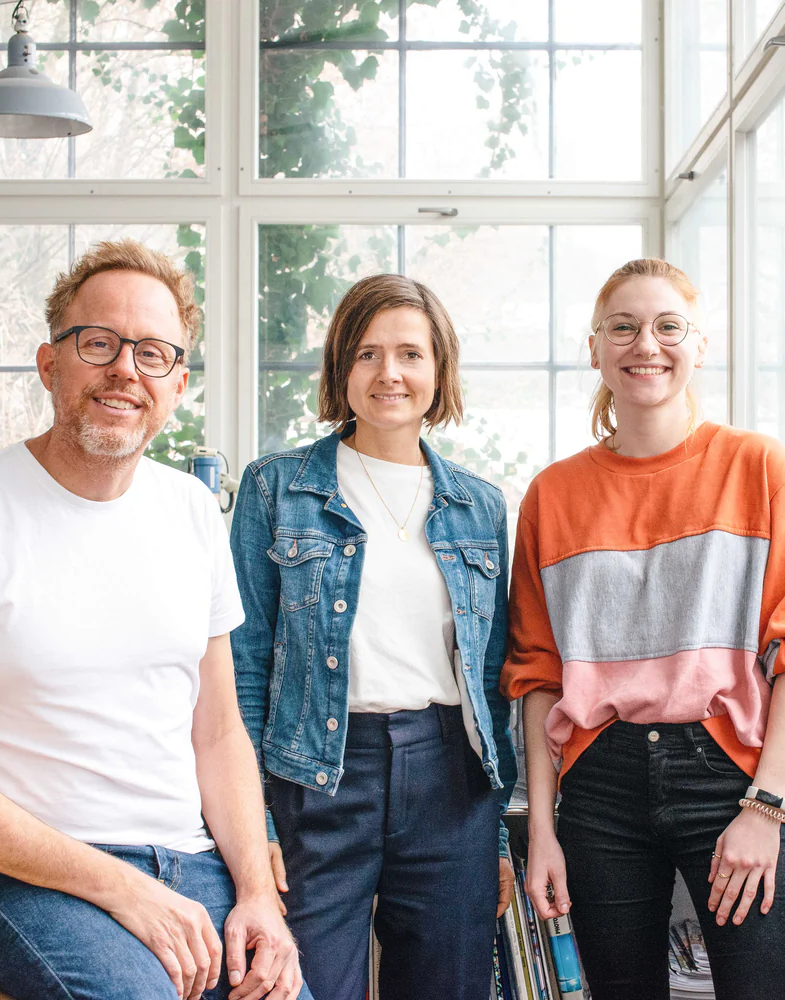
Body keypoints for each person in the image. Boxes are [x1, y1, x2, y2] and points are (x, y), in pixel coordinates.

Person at [0, 240, 309, 1000]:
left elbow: (217, 731)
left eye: (151, 353)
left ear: (177, 385)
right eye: (98, 344)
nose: (124, 370)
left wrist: (255, 893)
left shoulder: (192, 512)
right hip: (11, 876)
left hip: (194, 867)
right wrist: (121, 888)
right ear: (51, 364)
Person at [502, 258, 785, 1000]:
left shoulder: (762, 470)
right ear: (594, 348)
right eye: (622, 328)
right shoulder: (551, 495)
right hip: (599, 786)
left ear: (699, 345)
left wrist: (765, 807)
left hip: (727, 774)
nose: (645, 345)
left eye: (667, 327)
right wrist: (542, 830)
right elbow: (537, 675)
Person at [230, 273, 517, 1000]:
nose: (389, 373)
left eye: (410, 354)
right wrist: (252, 819)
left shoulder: (480, 506)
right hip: (314, 774)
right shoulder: (275, 488)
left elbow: (490, 683)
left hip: (451, 780)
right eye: (366, 354)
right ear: (340, 371)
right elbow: (245, 665)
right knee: (302, 985)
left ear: (438, 370)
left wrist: (501, 833)